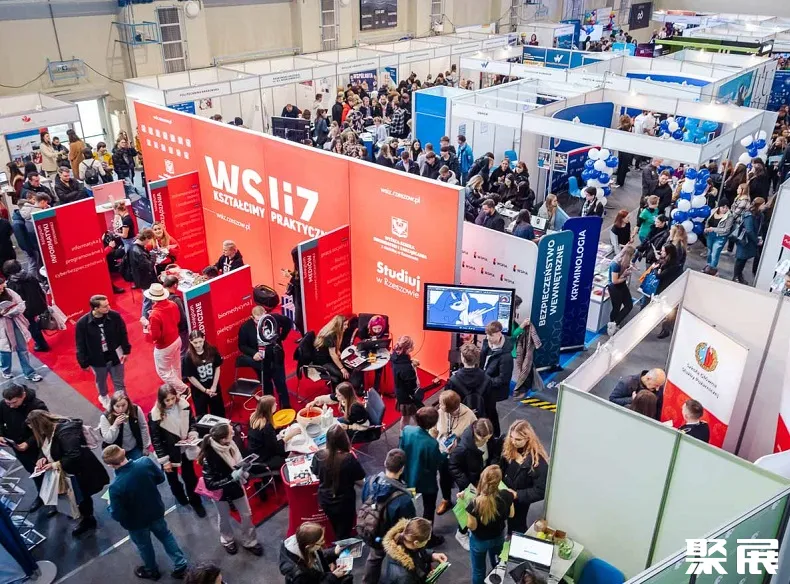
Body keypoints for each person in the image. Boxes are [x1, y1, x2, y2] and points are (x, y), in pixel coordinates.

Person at [103, 445, 189, 580]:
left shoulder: (115, 487)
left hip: (136, 523)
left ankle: (152, 571)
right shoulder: (145, 462)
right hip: (155, 511)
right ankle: (181, 564)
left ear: (110, 465)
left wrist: (109, 506)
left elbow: (118, 515)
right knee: (166, 536)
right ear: (124, 452)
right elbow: (160, 478)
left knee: (144, 546)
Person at [26, 410, 110, 537]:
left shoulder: (65, 433)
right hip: (70, 471)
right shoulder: (49, 431)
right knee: (77, 496)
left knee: (82, 496)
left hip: (80, 472)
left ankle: (88, 519)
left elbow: (74, 455)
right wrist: (42, 457)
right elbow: (46, 447)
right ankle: (83, 515)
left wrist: (54, 465)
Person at [198, 423, 263, 556]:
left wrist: (244, 467)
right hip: (221, 492)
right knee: (224, 517)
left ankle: (250, 541)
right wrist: (231, 478)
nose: (234, 433)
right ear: (223, 439)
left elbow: (237, 462)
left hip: (236, 487)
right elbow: (210, 484)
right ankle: (227, 540)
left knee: (246, 514)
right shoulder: (208, 457)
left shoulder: (231, 444)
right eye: (231, 432)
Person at [360, 449, 416, 584]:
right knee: (396, 560)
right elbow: (408, 523)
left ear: (385, 463)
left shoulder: (370, 481)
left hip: (372, 530)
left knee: (374, 558)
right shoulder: (403, 498)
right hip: (392, 537)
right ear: (402, 469)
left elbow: (364, 500)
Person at [149, 384, 206, 517]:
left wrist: (192, 434)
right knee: (173, 480)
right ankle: (181, 498)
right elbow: (156, 440)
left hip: (185, 448)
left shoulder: (184, 405)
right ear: (161, 400)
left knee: (190, 478)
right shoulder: (155, 415)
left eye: (173, 398)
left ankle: (196, 502)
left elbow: (192, 422)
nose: (170, 402)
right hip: (169, 453)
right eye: (167, 400)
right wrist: (164, 461)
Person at [400, 407, 445, 547]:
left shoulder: (407, 430)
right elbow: (436, 462)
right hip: (426, 482)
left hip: (408, 477)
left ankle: (406, 531)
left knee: (408, 505)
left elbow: (401, 450)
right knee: (429, 508)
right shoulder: (432, 443)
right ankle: (427, 537)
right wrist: (446, 452)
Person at [310, 425, 366, 540]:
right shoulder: (349, 459)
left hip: (325, 499)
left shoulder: (319, 456)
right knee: (344, 531)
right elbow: (360, 478)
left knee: (336, 525)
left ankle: (339, 540)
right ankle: (341, 546)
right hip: (344, 502)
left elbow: (316, 474)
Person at [75, 294, 130, 408]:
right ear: (95, 308)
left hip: (115, 355)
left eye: (108, 304)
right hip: (97, 359)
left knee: (119, 382)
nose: (108, 307)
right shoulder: (82, 323)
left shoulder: (114, 316)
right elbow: (80, 344)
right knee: (101, 381)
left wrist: (126, 351)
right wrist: (83, 362)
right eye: (105, 306)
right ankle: (104, 397)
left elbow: (122, 333)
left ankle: (123, 404)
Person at [0, 384, 49, 511]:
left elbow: (45, 429)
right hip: (18, 446)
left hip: (38, 447)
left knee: (47, 471)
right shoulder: (4, 405)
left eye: (14, 402)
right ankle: (43, 495)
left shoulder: (37, 406)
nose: (11, 406)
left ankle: (54, 495)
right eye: (8, 403)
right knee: (33, 472)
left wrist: (28, 443)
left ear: (23, 395)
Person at [466, 465, 515, 584]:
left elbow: (472, 526)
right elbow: (511, 514)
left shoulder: (474, 504)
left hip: (480, 541)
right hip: (498, 536)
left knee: (478, 571)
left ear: (482, 479)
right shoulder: (507, 495)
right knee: (498, 564)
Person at [499, 420, 548, 534]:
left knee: (517, 525)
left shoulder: (537, 461)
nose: (513, 442)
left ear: (527, 439)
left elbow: (541, 490)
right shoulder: (508, 445)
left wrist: (517, 495)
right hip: (504, 491)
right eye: (511, 437)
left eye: (518, 439)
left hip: (519, 501)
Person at [432, 390, 476, 517]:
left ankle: (464, 504)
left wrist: (460, 443)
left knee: (463, 480)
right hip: (443, 454)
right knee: (444, 477)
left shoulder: (469, 416)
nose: (439, 405)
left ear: (449, 407)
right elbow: (433, 430)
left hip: (461, 456)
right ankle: (446, 499)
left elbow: (474, 438)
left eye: (442, 403)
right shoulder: (440, 413)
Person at [238, 305, 292, 407]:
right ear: (252, 317)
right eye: (257, 320)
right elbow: (242, 345)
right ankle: (269, 408)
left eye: (262, 319)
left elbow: (288, 322)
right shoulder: (246, 327)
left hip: (276, 357)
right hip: (260, 361)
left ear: (266, 314)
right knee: (266, 386)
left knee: (281, 383)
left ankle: (286, 407)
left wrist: (281, 337)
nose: (260, 323)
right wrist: (253, 353)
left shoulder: (273, 318)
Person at [143, 284, 188, 393]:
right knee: (176, 367)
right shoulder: (173, 304)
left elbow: (155, 336)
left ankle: (183, 389)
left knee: (163, 372)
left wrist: (147, 325)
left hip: (164, 346)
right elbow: (178, 319)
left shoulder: (154, 314)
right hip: (176, 339)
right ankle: (178, 390)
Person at [380, 518, 448, 584]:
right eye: (427, 539)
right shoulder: (404, 576)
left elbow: (419, 553)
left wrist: (432, 555)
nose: (429, 540)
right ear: (416, 543)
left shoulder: (409, 543)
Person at [0, 276, 42, 382]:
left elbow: (21, 304)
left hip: (16, 323)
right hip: (2, 328)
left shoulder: (9, 292)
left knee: (22, 349)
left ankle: (29, 373)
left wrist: (10, 312)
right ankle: (5, 370)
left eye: (2, 287)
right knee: (5, 351)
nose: (2, 289)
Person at [279, 522, 350, 584]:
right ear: (308, 546)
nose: (323, 543)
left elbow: (317, 558)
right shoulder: (299, 575)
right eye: (320, 542)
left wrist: (334, 552)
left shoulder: (302, 543)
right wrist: (333, 577)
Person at [3, 260, 48, 352]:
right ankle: (41, 341)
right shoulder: (30, 276)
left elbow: (13, 299)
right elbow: (40, 290)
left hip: (26, 308)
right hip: (38, 303)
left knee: (32, 326)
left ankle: (41, 344)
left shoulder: (12, 283)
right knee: (35, 323)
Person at [248, 395, 300, 473]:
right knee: (290, 456)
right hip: (263, 459)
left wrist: (275, 429)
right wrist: (291, 435)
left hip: (257, 454)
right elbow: (275, 448)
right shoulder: (266, 426)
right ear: (269, 408)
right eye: (274, 404)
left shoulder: (254, 417)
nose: (276, 404)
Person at [479, 320, 513, 437]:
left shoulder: (506, 357)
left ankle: (495, 436)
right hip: (484, 382)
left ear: (499, 334)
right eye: (487, 335)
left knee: (490, 413)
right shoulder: (487, 343)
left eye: (491, 335)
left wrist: (485, 381)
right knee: (487, 411)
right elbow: (482, 361)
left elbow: (503, 379)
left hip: (492, 389)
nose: (488, 338)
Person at [183, 330, 225, 418]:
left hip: (214, 387)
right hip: (199, 391)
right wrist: (205, 390)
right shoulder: (188, 357)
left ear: (204, 338)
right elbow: (190, 377)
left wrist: (214, 386)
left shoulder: (212, 350)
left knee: (219, 413)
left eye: (200, 341)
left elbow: (217, 367)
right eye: (195, 343)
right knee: (202, 417)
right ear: (190, 341)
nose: (198, 345)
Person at [99, 391, 149, 460]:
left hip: (134, 447)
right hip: (116, 452)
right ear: (112, 405)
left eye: (123, 405)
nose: (121, 409)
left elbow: (143, 427)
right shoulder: (105, 417)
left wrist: (145, 446)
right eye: (117, 406)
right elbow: (108, 440)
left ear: (128, 403)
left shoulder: (135, 409)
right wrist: (115, 425)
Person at [391, 335, 421, 430]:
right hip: (408, 397)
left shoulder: (394, 356)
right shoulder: (407, 368)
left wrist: (411, 362)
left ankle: (402, 435)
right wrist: (414, 368)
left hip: (399, 392)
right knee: (413, 418)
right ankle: (420, 433)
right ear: (407, 349)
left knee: (406, 417)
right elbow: (414, 385)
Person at [733, 197, 763, 285]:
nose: (764, 206)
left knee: (744, 259)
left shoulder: (758, 214)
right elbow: (749, 230)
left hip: (749, 241)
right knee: (740, 259)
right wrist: (756, 240)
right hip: (744, 240)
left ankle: (739, 275)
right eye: (763, 204)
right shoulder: (749, 215)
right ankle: (736, 276)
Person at [312, 314, 349, 387]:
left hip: (328, 357)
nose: (347, 326)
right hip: (323, 361)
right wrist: (342, 368)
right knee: (342, 374)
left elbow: (335, 349)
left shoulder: (337, 332)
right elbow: (332, 354)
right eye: (344, 325)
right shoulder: (330, 335)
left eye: (347, 324)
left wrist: (339, 355)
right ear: (338, 325)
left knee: (347, 366)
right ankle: (338, 390)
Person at [607, 245, 635, 335]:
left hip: (622, 285)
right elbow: (615, 281)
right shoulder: (615, 264)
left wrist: (628, 270)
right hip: (614, 288)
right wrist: (625, 277)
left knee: (629, 305)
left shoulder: (623, 262)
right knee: (616, 308)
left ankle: (615, 323)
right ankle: (612, 325)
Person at [129, 229, 158, 314]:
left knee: (148, 300)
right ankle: (145, 318)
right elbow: (149, 266)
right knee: (147, 301)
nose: (149, 242)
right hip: (145, 279)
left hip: (141, 278)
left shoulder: (134, 246)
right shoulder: (139, 252)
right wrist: (153, 256)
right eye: (149, 240)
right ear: (146, 238)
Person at [161, 276, 188, 355]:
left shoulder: (160, 296)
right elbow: (182, 317)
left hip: (169, 330)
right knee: (183, 351)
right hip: (180, 329)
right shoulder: (176, 299)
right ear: (175, 285)